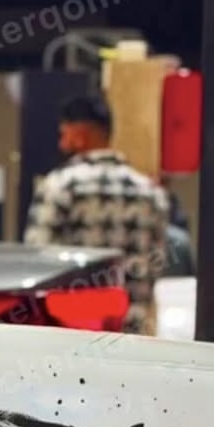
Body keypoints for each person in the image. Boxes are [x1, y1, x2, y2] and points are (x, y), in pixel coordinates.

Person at [25, 94, 170, 334]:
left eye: (64, 134)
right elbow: (157, 263)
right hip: (133, 329)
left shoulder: (59, 186)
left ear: (80, 135)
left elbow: (39, 258)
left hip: (72, 328)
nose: (61, 144)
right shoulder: (150, 193)